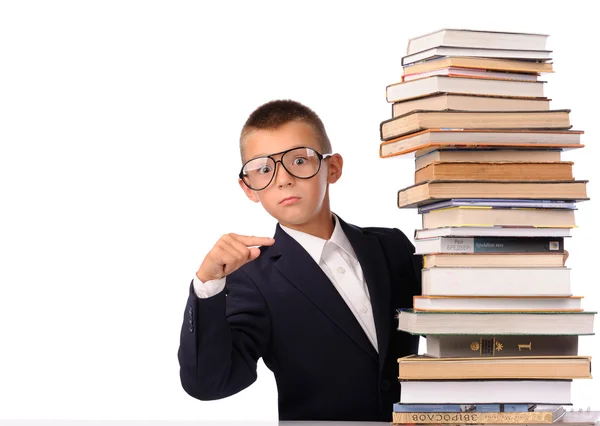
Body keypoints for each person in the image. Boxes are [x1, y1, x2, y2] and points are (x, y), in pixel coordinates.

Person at [177, 99, 422, 421]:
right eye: (264, 168)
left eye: (299, 160)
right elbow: (210, 384)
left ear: (332, 168)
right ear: (249, 187)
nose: (283, 179)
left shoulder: (391, 245)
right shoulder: (252, 277)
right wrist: (208, 286)